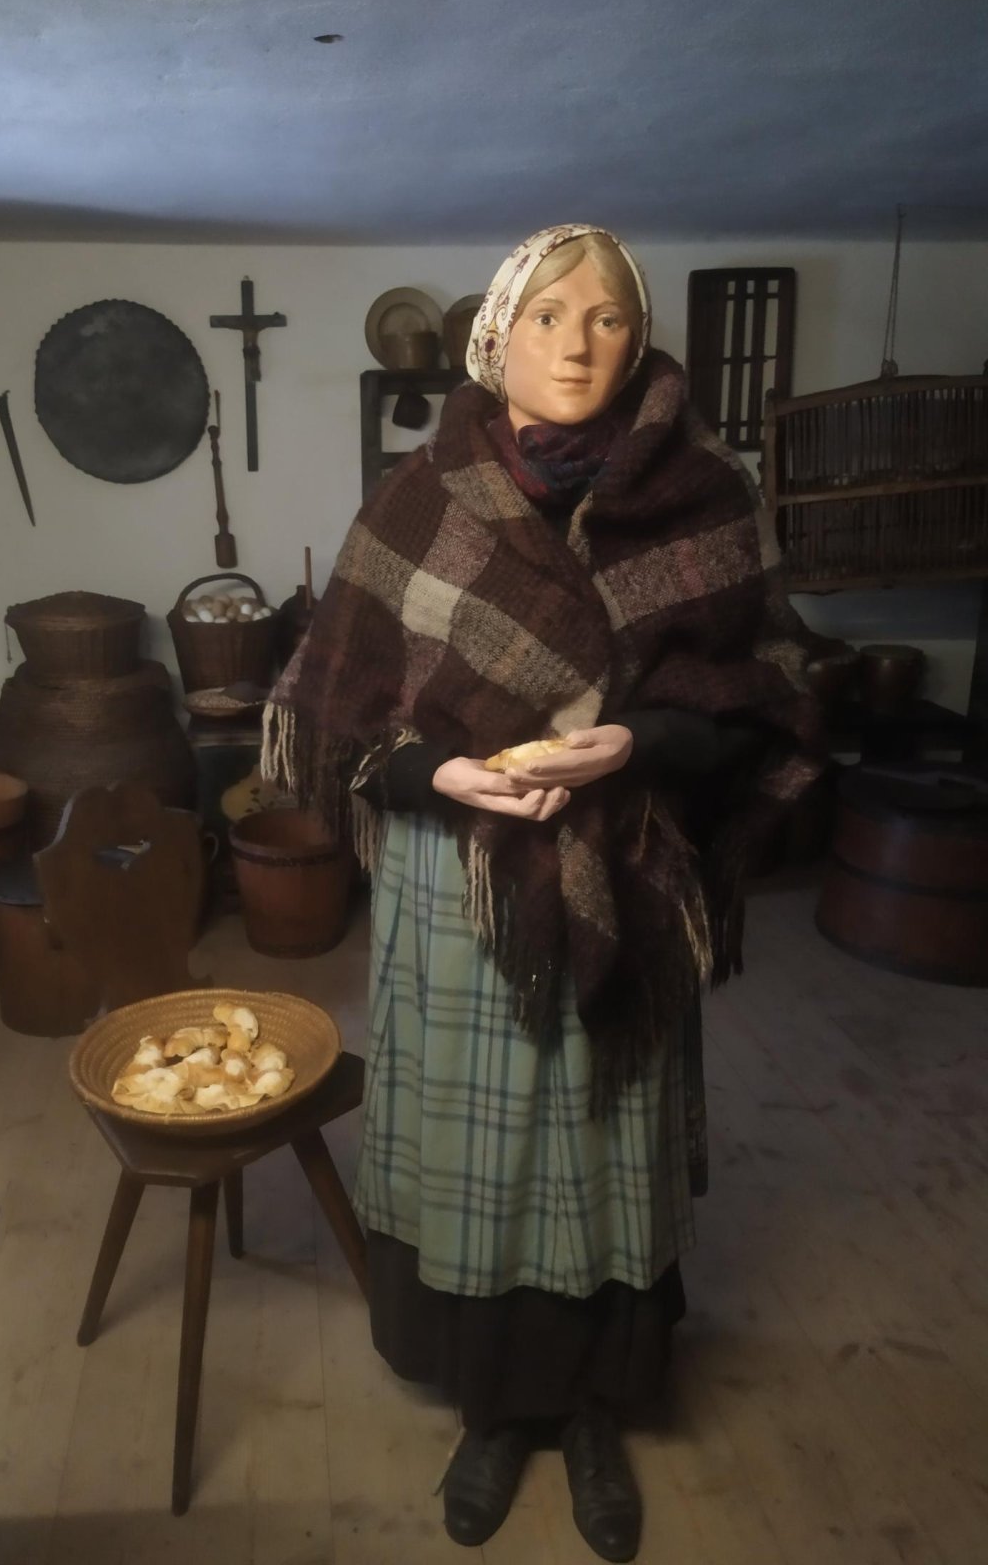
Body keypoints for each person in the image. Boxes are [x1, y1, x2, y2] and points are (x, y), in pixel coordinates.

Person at [263, 224, 823, 1561]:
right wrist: (446, 773)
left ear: (641, 340)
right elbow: (344, 714)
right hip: (460, 884)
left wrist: (637, 742)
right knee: (479, 1151)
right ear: (495, 336)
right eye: (549, 315)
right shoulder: (420, 502)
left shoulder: (707, 496)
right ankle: (496, 1412)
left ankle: (591, 1410)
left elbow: (765, 700)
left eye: (609, 317)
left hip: (627, 860)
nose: (578, 344)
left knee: (601, 1138)